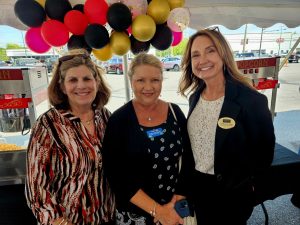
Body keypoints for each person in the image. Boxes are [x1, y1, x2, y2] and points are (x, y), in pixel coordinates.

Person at [178, 27, 275, 225]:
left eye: (210, 51)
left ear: (223, 54)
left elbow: (264, 153)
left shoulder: (250, 100)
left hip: (232, 196)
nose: (202, 59)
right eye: (195, 55)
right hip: (199, 190)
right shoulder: (195, 97)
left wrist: (249, 190)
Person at [25, 49, 115, 225]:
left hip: (108, 218)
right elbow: (37, 188)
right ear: (62, 87)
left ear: (96, 82)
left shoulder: (106, 117)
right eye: (73, 80)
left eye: (87, 79)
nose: (81, 86)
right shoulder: (48, 125)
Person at [102, 53, 191, 225]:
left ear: (162, 81)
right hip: (136, 215)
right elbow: (115, 175)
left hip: (175, 210)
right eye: (141, 80)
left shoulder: (175, 112)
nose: (148, 87)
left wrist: (177, 200)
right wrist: (158, 211)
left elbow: (189, 157)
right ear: (131, 81)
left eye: (155, 80)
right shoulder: (119, 120)